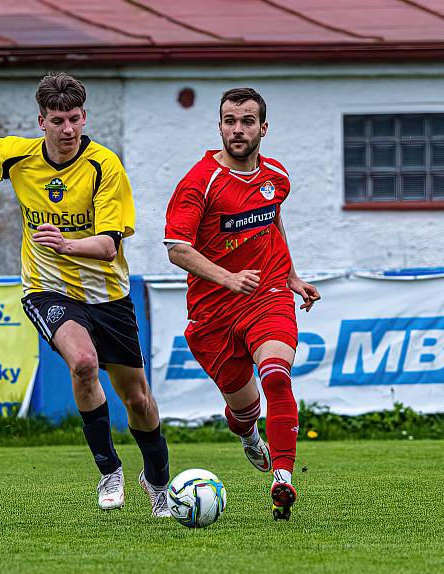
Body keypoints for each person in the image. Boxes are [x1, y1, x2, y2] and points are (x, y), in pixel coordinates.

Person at [0, 72, 170, 517]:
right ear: (42, 121)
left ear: (85, 117)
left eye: (75, 119)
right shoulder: (16, 155)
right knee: (83, 362)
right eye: (58, 120)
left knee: (138, 399)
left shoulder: (104, 167)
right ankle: (109, 470)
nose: (68, 130)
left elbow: (109, 245)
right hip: (47, 288)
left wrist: (67, 243)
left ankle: (157, 480)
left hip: (108, 293)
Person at [164, 87, 320, 521]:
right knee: (243, 408)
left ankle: (284, 479)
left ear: (263, 128)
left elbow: (272, 220)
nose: (238, 129)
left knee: (276, 376)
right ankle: (249, 433)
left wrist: (290, 277)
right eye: (230, 120)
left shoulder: (277, 177)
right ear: (219, 126)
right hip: (212, 311)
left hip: (265, 295)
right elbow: (176, 248)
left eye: (247, 121)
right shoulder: (200, 181)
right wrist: (227, 278)